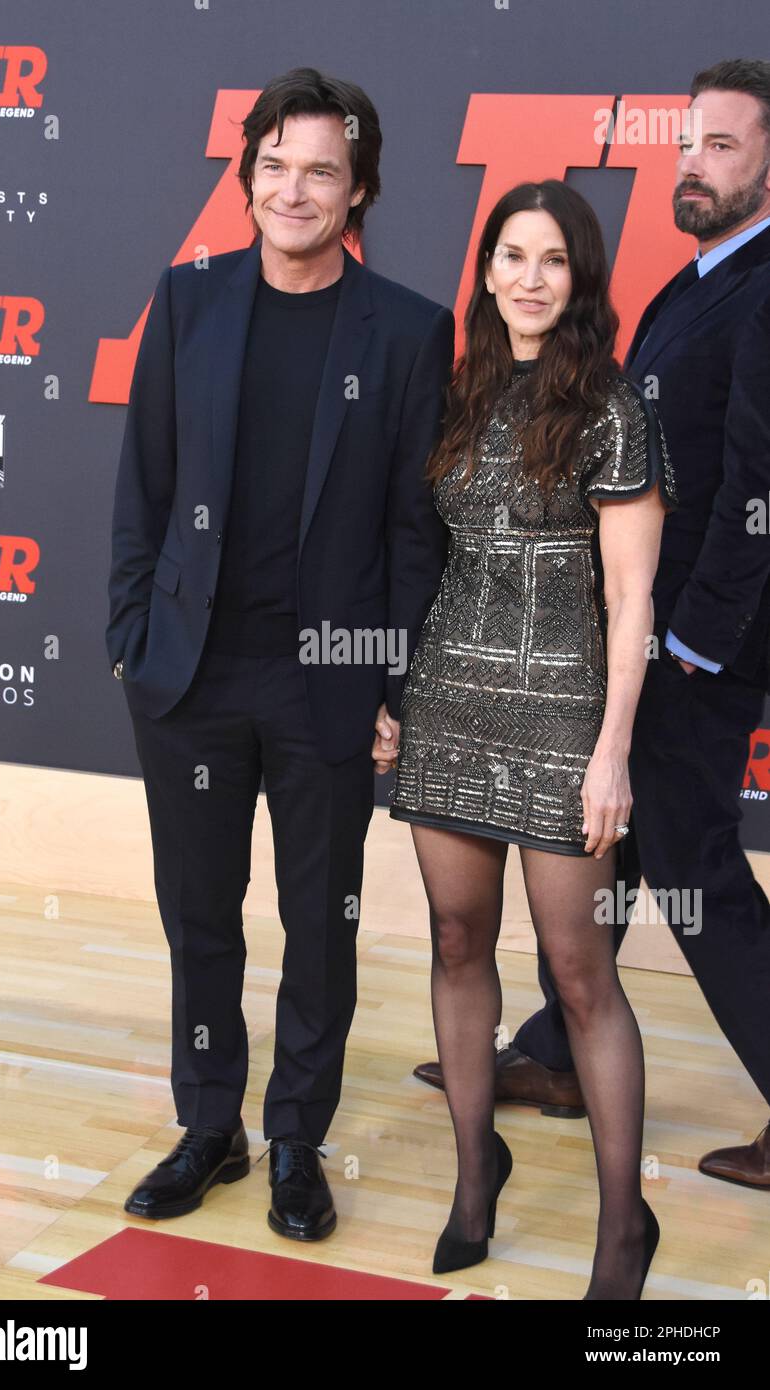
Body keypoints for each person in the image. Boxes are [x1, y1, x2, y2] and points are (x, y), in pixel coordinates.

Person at [106, 67, 454, 1240]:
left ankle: (297, 1133)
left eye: (320, 170)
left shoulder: (409, 329)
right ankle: (211, 1124)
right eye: (274, 165)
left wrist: (394, 682)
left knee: (323, 922)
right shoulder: (188, 298)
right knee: (199, 916)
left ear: (357, 189)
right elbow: (142, 491)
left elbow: (416, 529)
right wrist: (129, 644)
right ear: (246, 174)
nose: (293, 189)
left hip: (330, 688)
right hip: (192, 678)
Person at [413, 57, 770, 1196]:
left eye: (723, 145)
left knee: (692, 862)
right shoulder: (703, 278)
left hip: (701, 642)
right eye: (688, 145)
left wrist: (694, 642)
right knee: (603, 854)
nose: (695, 165)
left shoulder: (763, 284)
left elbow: (761, 480)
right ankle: (558, 1056)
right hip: (648, 634)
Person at [378, 179, 676, 1297]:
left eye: (553, 259)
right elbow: (422, 547)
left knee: (581, 971)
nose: (530, 278)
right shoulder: (454, 388)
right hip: (449, 695)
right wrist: (392, 693)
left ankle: (622, 1230)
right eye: (512, 255)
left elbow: (633, 599)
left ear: (580, 277)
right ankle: (473, 1172)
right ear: (487, 266)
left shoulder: (612, 405)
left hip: (564, 715)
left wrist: (612, 750)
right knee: (459, 943)